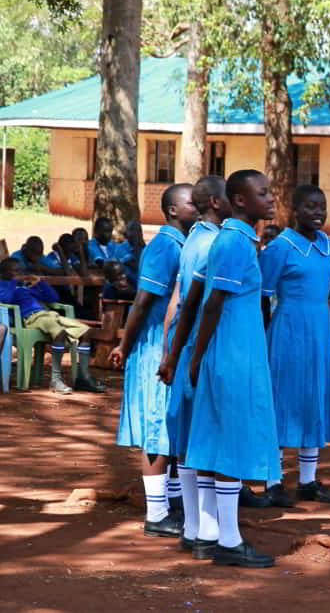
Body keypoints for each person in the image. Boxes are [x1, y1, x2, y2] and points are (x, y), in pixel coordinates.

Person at [185, 169, 280, 568]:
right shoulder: (235, 242)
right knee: (233, 440)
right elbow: (210, 303)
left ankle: (207, 534)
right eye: (263, 193)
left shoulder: (239, 239)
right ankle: (229, 539)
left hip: (232, 350)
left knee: (215, 437)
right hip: (233, 353)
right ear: (240, 200)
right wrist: (196, 356)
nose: (271, 199)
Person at [110, 183, 197, 537]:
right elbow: (143, 301)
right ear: (173, 210)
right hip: (154, 349)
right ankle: (157, 513)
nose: (200, 205)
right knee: (158, 430)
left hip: (173, 347)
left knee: (172, 429)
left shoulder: (185, 244)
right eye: (192, 202)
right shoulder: (163, 246)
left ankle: (173, 502)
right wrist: (124, 346)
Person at [158, 175, 235, 559]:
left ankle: (193, 526)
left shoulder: (193, 239)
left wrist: (170, 351)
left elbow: (179, 299)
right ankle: (205, 528)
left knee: (189, 437)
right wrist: (186, 355)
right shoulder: (214, 242)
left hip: (186, 344)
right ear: (219, 204)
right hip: (204, 347)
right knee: (205, 436)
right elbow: (199, 304)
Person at [259, 185, 330, 506]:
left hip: (320, 330)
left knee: (315, 398)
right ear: (294, 211)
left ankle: (307, 481)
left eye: (322, 206)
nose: (318, 212)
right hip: (288, 331)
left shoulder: (327, 245)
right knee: (283, 399)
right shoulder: (280, 247)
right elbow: (262, 298)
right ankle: (272, 481)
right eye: (310, 207)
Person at [0, 257, 102, 393]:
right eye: (15, 271)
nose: (20, 273)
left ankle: (82, 378)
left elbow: (53, 298)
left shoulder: (25, 287)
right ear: (3, 273)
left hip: (49, 315)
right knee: (59, 332)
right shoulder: (3, 285)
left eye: (20, 270)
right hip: (31, 318)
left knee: (86, 332)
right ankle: (55, 380)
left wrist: (40, 283)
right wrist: (15, 282)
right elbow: (6, 299)